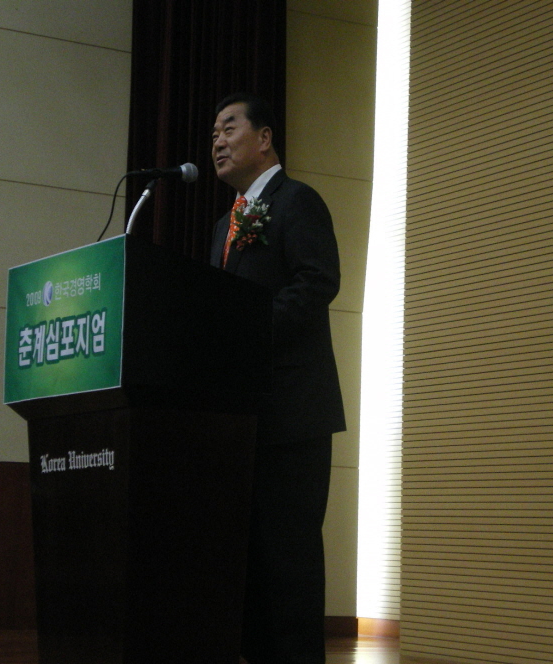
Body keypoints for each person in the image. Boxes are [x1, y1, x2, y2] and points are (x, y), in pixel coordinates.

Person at [209, 93, 346, 664]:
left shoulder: (297, 201)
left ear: (264, 138)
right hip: (241, 421)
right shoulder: (224, 224)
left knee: (289, 563)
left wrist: (246, 333)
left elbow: (317, 282)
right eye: (213, 134)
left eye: (228, 128)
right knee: (251, 567)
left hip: (293, 415)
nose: (217, 141)